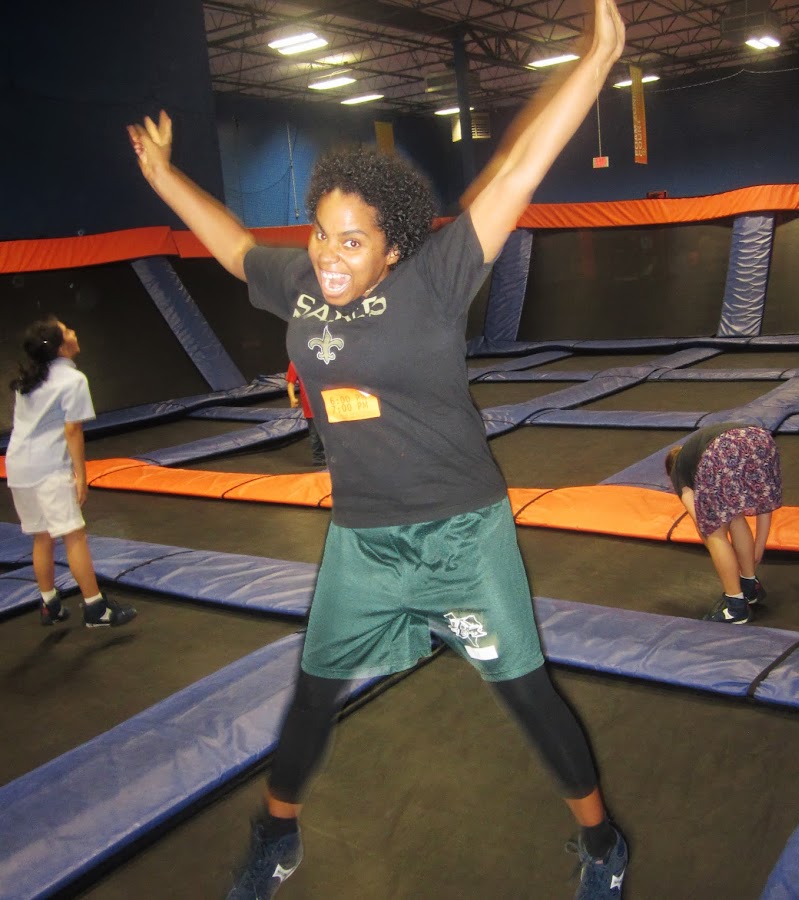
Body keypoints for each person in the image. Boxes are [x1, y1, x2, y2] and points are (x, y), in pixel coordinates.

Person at [127, 2, 626, 896]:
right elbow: (233, 246)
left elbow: (518, 169)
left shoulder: (435, 281)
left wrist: (596, 59)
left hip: (461, 535)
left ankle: (603, 843)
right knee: (313, 692)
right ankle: (277, 835)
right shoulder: (300, 285)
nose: (328, 254)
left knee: (526, 694)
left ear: (393, 248)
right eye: (320, 232)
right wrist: (165, 178)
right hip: (362, 541)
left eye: (351, 241)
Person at [5, 317, 137, 628]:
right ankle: (95, 608)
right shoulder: (73, 380)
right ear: (62, 347)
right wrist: (82, 476)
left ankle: (49, 603)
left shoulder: (30, 378)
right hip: (48, 468)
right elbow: (73, 431)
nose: (74, 332)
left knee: (42, 536)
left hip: (19, 466)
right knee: (74, 535)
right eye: (67, 331)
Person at [665, 423, 783, 625]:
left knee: (714, 532)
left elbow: (702, 522)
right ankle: (750, 586)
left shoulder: (679, 471)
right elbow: (766, 503)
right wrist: (759, 548)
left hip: (723, 448)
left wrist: (719, 548)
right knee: (734, 515)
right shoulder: (698, 447)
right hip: (761, 439)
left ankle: (736, 606)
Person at [285, 360, 325, 467]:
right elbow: (290, 383)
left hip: (326, 401)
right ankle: (318, 457)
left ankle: (328, 456)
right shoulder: (296, 361)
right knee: (315, 433)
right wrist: (292, 398)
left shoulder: (319, 357)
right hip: (310, 404)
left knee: (327, 431)